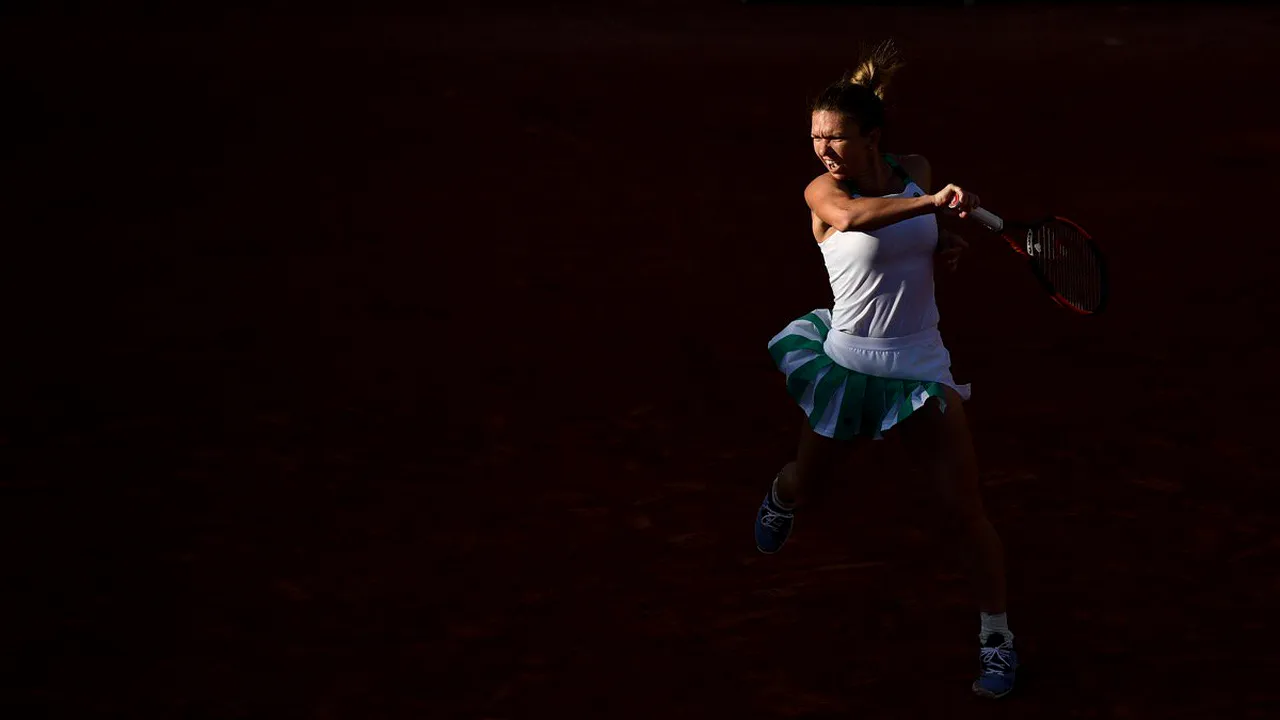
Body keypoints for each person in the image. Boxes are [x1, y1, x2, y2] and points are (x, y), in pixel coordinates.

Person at [753, 40, 1018, 699]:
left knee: (965, 510)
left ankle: (996, 639)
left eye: (835, 138)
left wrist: (944, 244)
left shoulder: (917, 170)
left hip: (921, 364)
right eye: (816, 136)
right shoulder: (823, 192)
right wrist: (930, 208)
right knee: (809, 482)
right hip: (848, 364)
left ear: (871, 136)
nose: (822, 150)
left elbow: (908, 243)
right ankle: (783, 496)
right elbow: (854, 219)